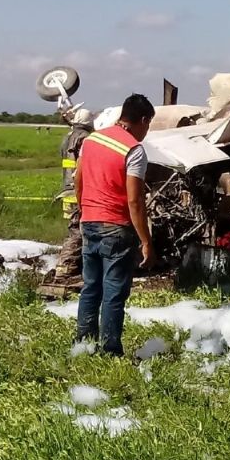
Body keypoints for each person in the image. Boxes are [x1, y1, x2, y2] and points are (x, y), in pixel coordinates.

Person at [74, 94, 156, 356]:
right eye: (148, 125)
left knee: (90, 287)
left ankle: (83, 344)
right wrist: (146, 241)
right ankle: (110, 350)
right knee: (113, 292)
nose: (146, 131)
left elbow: (79, 181)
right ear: (142, 120)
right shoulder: (134, 150)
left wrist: (85, 209)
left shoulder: (91, 140)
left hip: (89, 221)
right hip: (117, 227)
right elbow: (134, 201)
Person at [50, 108, 94, 285]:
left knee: (74, 227)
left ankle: (76, 265)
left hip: (66, 189)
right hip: (78, 190)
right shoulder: (85, 139)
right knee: (77, 230)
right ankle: (65, 270)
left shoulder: (67, 137)